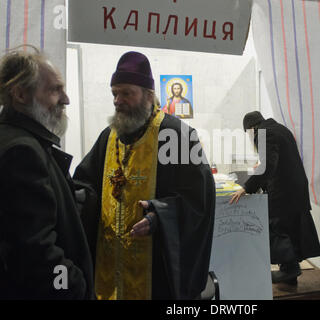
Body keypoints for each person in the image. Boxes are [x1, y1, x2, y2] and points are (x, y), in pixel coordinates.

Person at [73, 51, 215, 300]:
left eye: (126, 93)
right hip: (111, 262)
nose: (118, 100)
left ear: (149, 96)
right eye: (115, 93)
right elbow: (86, 181)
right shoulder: (109, 136)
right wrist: (79, 196)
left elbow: (200, 199)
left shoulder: (178, 135)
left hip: (156, 267)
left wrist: (159, 215)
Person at [0, 47, 94, 299]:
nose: (66, 99)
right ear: (20, 94)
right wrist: (75, 286)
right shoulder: (22, 151)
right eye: (55, 89)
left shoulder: (18, 140)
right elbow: (35, 252)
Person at [230, 111, 320, 285]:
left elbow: (268, 166)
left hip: (284, 190)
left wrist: (246, 187)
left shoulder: (263, 133)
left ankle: (289, 268)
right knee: (292, 227)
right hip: (296, 187)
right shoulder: (279, 128)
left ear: (251, 128)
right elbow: (276, 159)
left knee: (277, 226)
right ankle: (291, 273)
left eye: (247, 134)